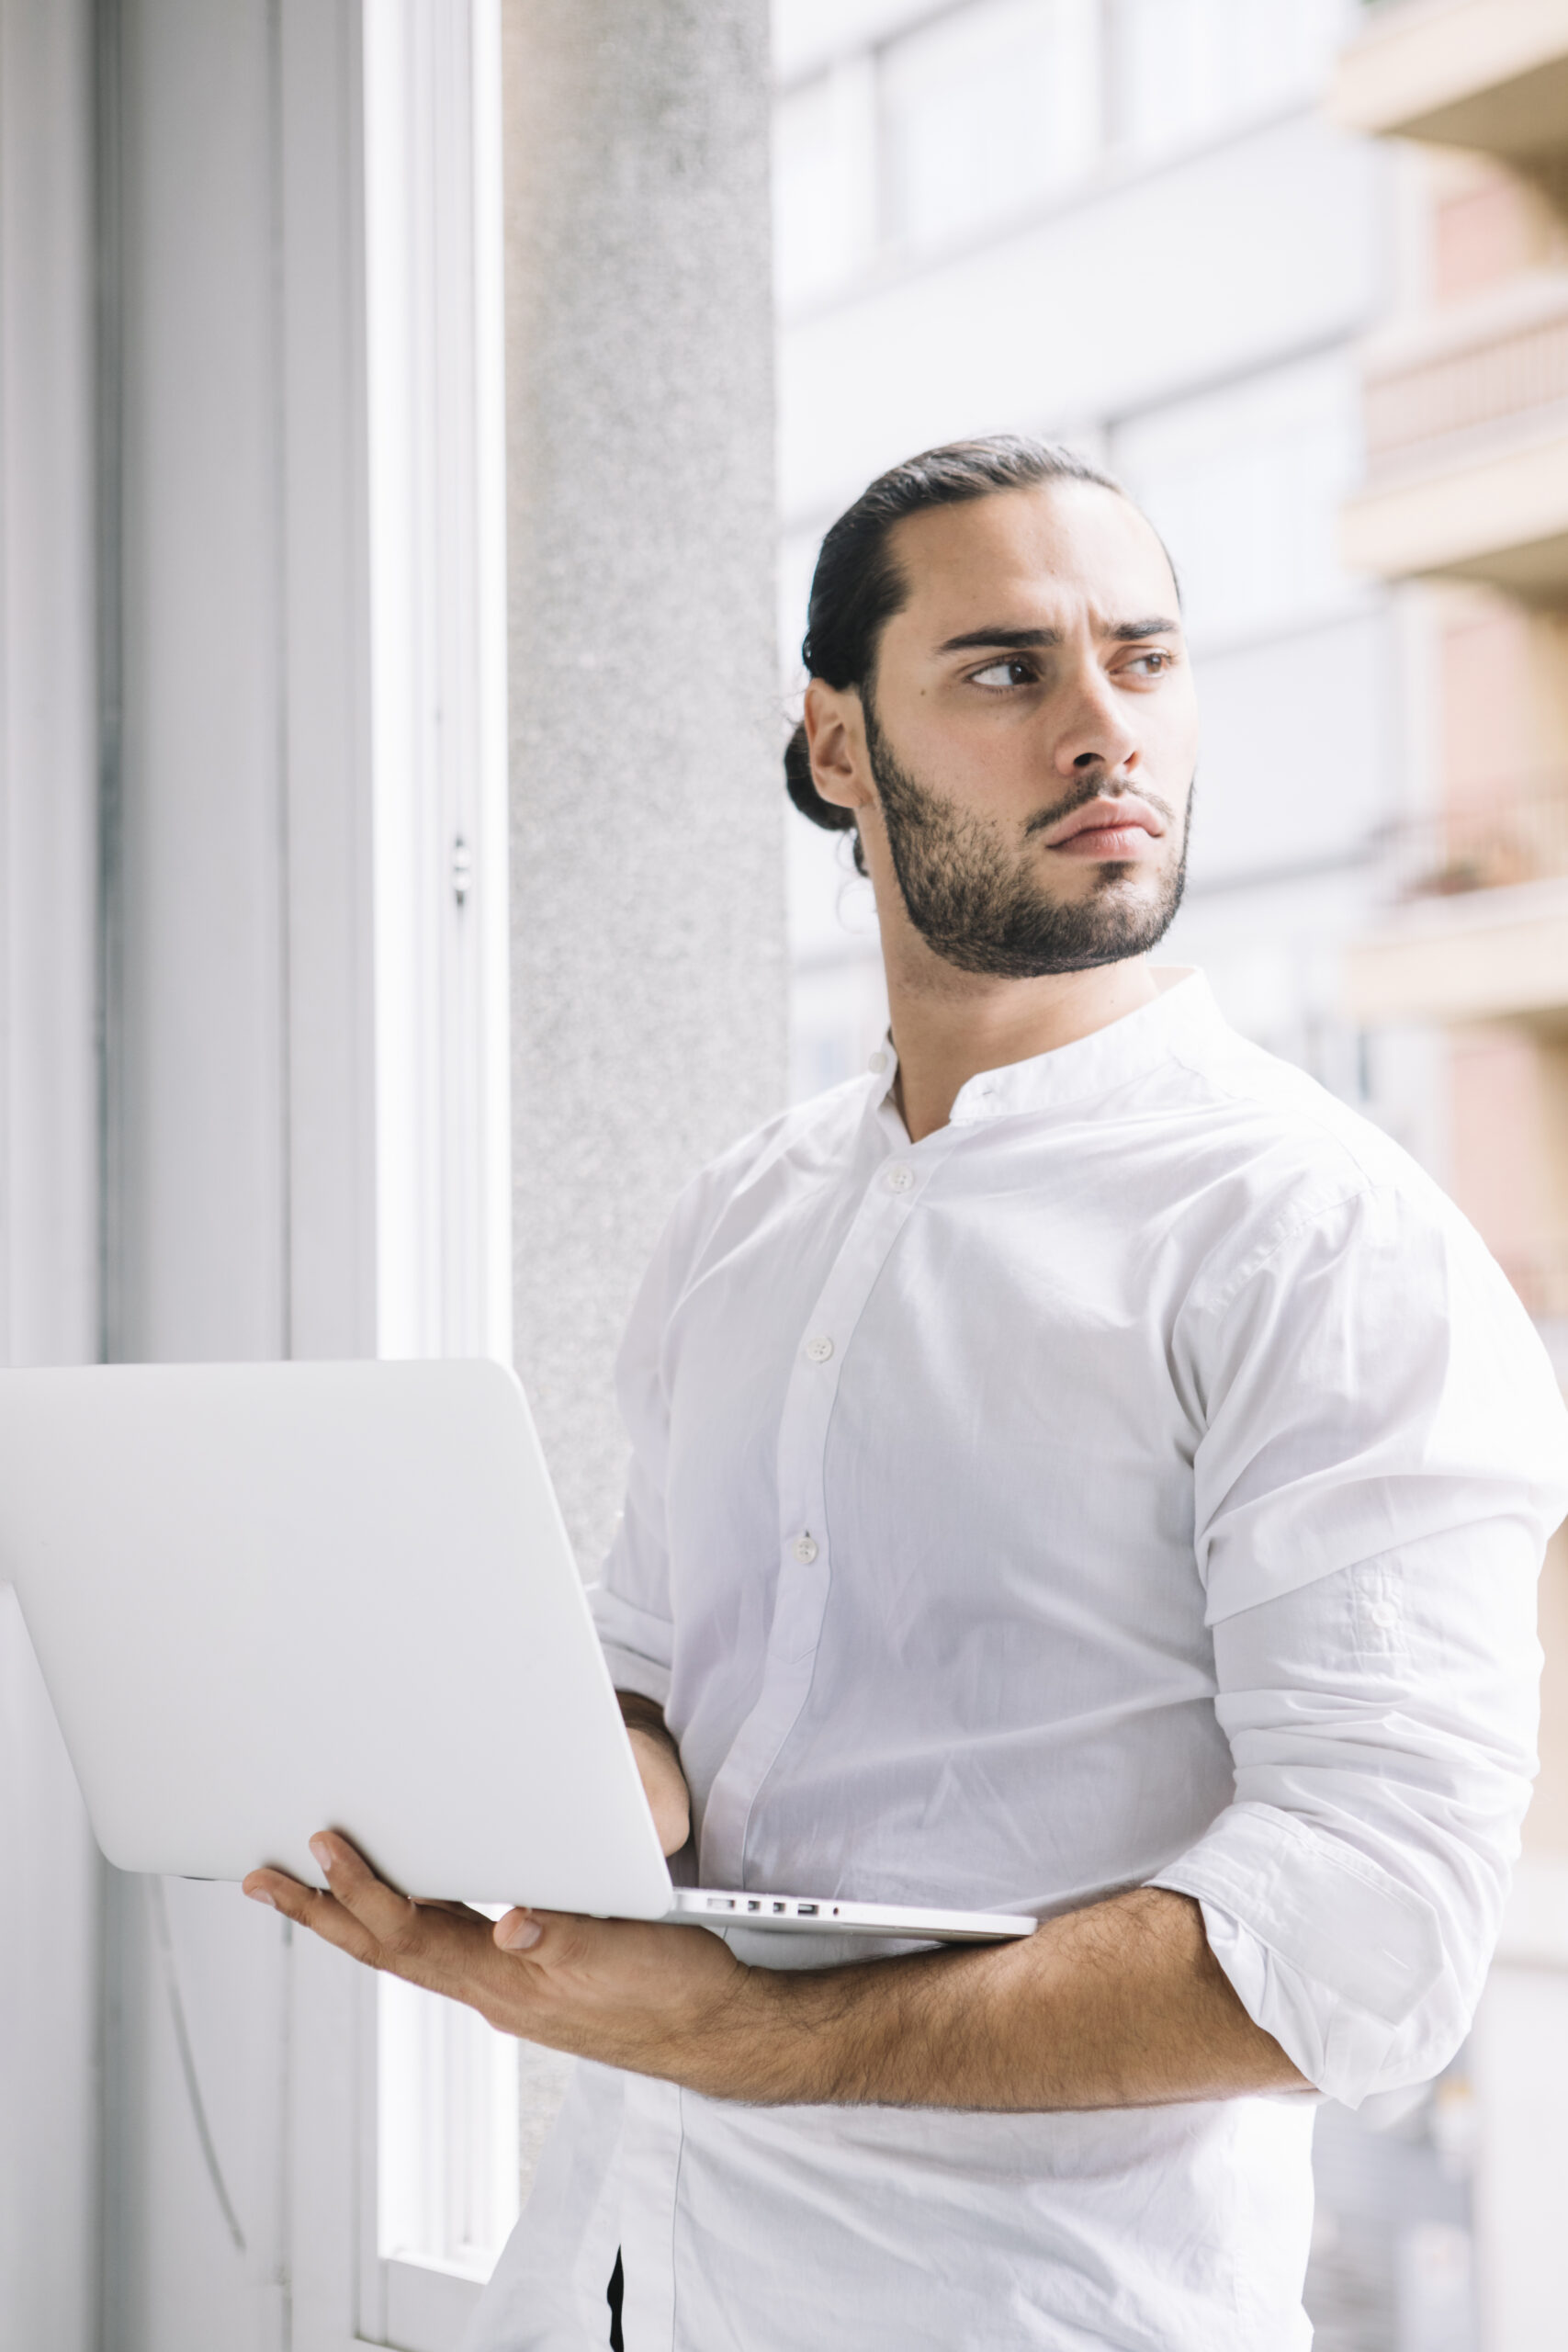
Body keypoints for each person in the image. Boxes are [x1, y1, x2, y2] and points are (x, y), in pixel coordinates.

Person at [246, 437, 1568, 2349]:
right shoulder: (746, 1210)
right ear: (837, 743)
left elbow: (1366, 1937)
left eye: (1144, 655)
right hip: (610, 2278)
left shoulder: (1321, 1240)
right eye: (1007, 667)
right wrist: (482, 1817)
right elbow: (656, 1691)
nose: (1105, 728)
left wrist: (762, 2034)